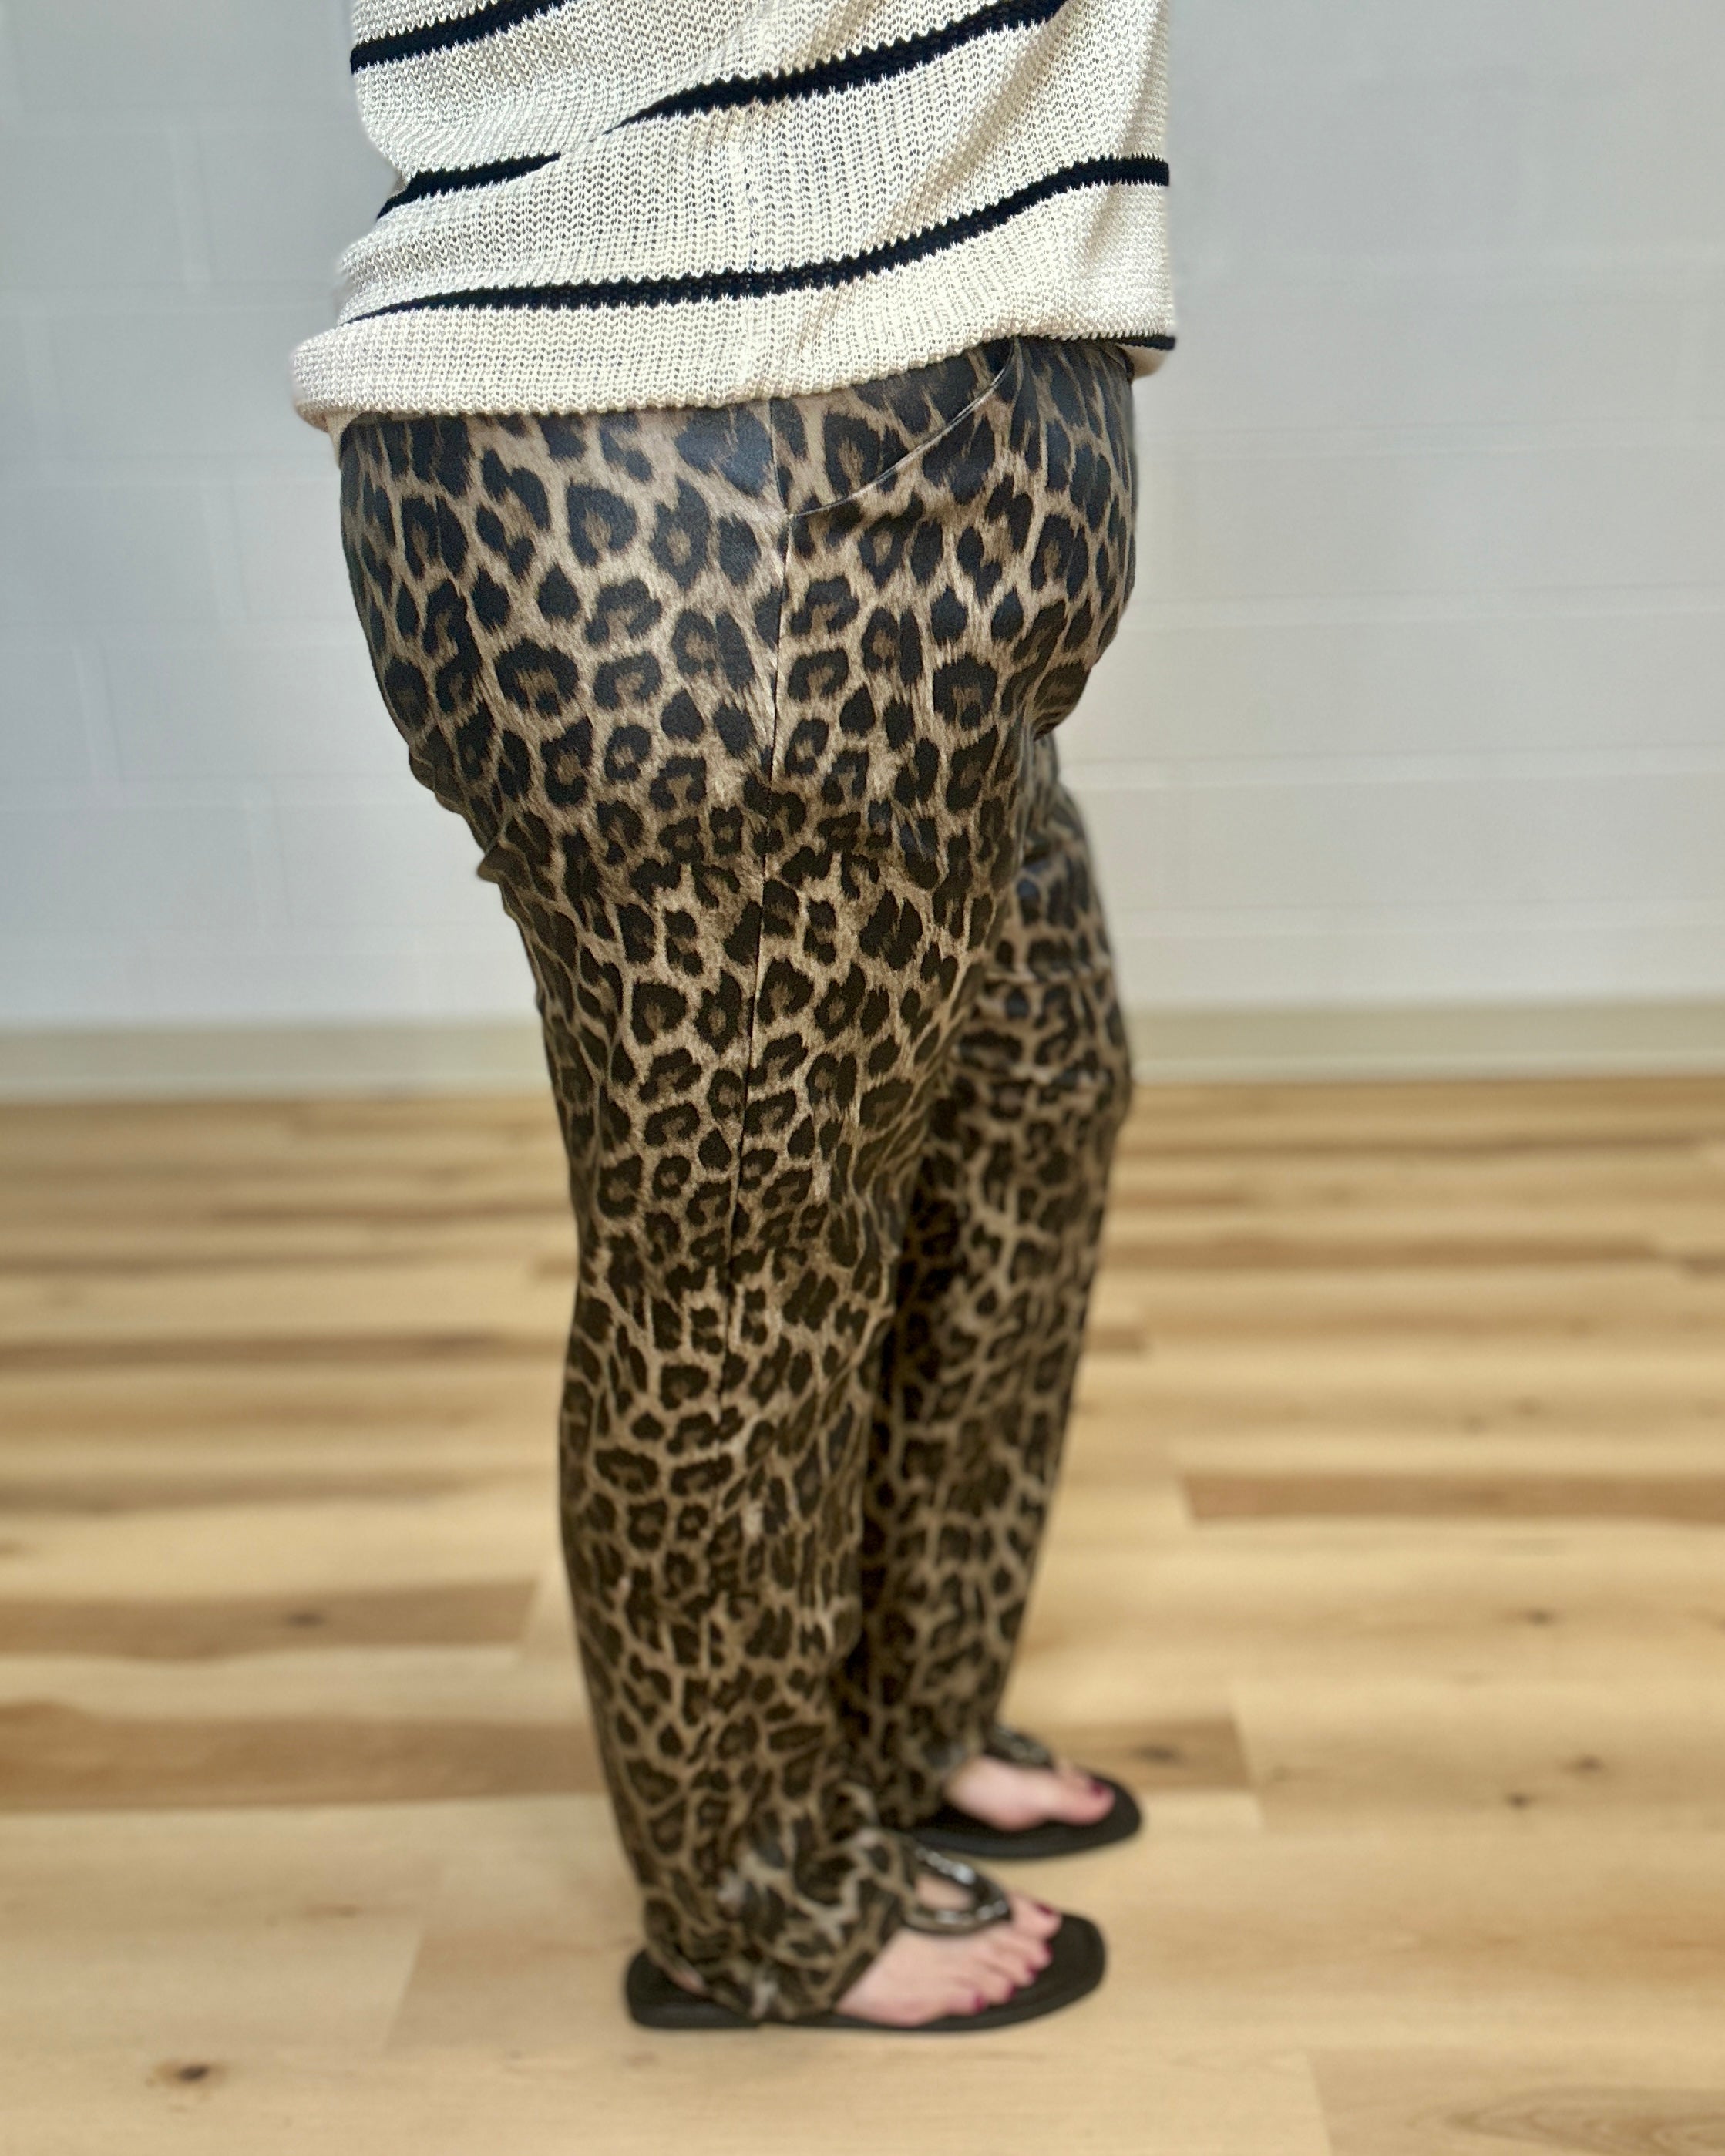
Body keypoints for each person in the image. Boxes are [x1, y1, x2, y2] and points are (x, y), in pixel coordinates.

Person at [293, 0, 1173, 2033]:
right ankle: (758, 1894)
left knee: (1029, 1091)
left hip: (893, 442)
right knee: (743, 1276)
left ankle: (895, 1718)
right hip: (709, 469)